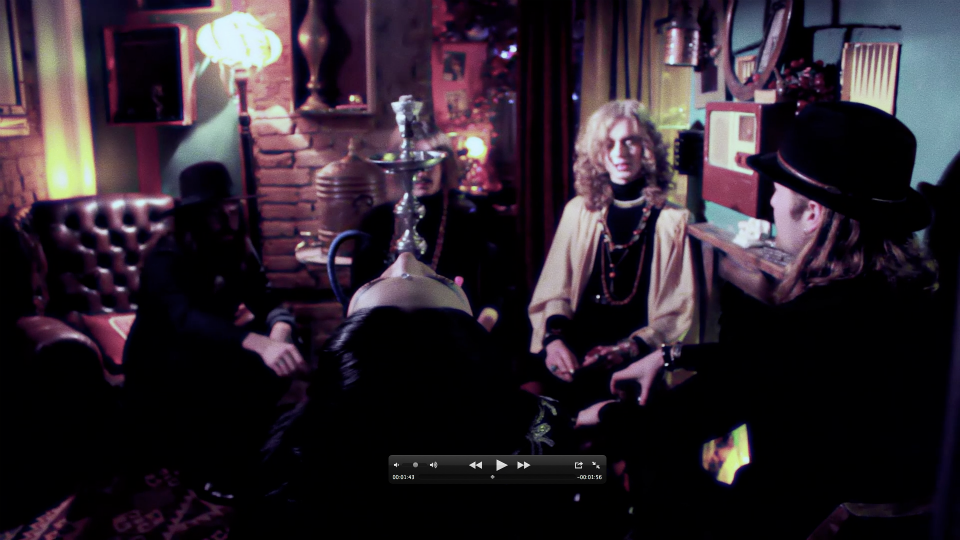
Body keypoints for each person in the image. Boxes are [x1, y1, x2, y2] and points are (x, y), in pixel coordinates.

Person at [576, 102, 948, 539]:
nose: (770, 201)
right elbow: (768, 363)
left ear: (812, 213)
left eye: (778, 189)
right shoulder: (904, 296)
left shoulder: (802, 326)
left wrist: (603, 414)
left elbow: (672, 425)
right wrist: (672, 355)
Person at [233, 252, 580, 539]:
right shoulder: (538, 424)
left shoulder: (293, 438)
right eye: (440, 281)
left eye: (375, 281)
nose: (405, 259)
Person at [122, 161, 308, 502]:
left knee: (287, 342)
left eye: (231, 208)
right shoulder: (166, 256)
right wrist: (258, 343)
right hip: (160, 357)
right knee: (218, 364)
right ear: (194, 217)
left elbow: (265, 298)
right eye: (214, 212)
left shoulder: (238, 247)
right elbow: (185, 319)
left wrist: (280, 331)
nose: (227, 219)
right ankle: (210, 470)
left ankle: (251, 448)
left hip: (212, 344)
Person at [526, 99, 697, 411]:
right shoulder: (578, 211)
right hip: (572, 353)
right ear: (596, 152)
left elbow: (677, 313)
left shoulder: (674, 221)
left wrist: (628, 349)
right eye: (609, 143)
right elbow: (555, 291)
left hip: (635, 359)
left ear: (648, 148)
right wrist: (553, 341)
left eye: (630, 141)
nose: (620, 153)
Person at [351, 126, 503, 331]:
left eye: (429, 161)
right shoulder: (376, 221)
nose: (422, 173)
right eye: (413, 162)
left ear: (444, 165)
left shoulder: (471, 217)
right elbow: (356, 299)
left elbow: (495, 295)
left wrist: (480, 329)